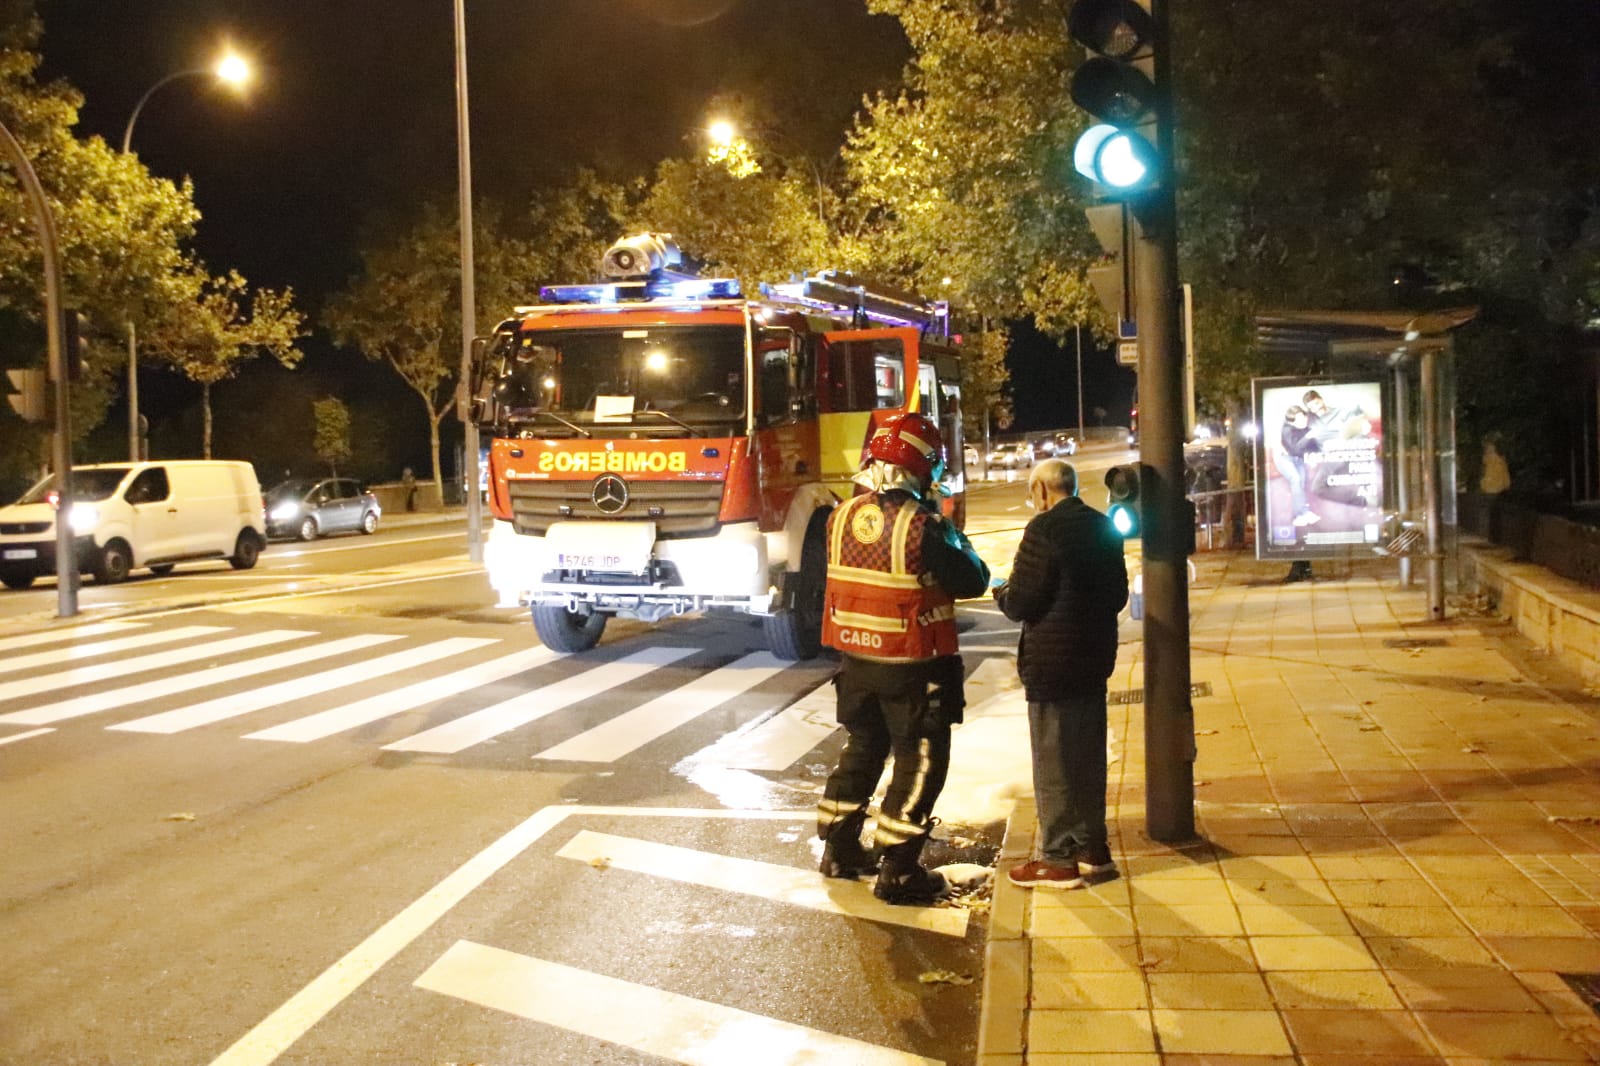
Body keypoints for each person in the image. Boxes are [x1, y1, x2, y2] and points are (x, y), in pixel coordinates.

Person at [816, 411, 990, 905]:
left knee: (863, 750)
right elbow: (973, 579)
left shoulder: (841, 516)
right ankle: (898, 869)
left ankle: (840, 849)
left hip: (857, 665)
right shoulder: (923, 527)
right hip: (914, 668)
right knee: (920, 763)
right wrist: (956, 537)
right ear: (920, 466)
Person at [994, 459, 1128, 889]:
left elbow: (1022, 602)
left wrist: (1002, 591)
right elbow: (1119, 594)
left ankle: (1057, 857)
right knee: (1088, 757)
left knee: (1053, 761)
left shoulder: (1044, 530)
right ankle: (1093, 849)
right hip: (1093, 659)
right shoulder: (1103, 527)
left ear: (1041, 489)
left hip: (1052, 663)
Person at [1275, 405, 1321, 528]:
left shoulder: (1306, 428)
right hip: (1284, 458)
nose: (1303, 421)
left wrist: (1313, 455)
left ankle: (1301, 514)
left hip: (1298, 459)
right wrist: (1308, 437)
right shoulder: (1287, 430)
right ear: (1292, 422)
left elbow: (1315, 447)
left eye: (1304, 417)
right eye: (1299, 420)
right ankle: (1302, 514)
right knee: (1295, 479)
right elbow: (1295, 449)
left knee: (1301, 483)